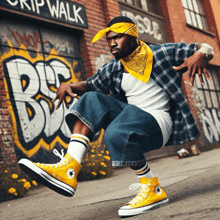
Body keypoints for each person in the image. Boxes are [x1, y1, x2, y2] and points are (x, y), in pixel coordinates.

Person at [18, 16, 214, 217]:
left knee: (116, 131)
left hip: (158, 123)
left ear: (133, 37)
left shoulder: (161, 53)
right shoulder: (114, 68)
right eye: (109, 39)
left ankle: (151, 189)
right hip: (132, 120)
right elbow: (91, 85)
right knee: (91, 98)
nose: (112, 43)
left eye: (118, 37)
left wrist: (200, 54)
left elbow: (207, 47)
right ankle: (69, 168)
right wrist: (69, 85)